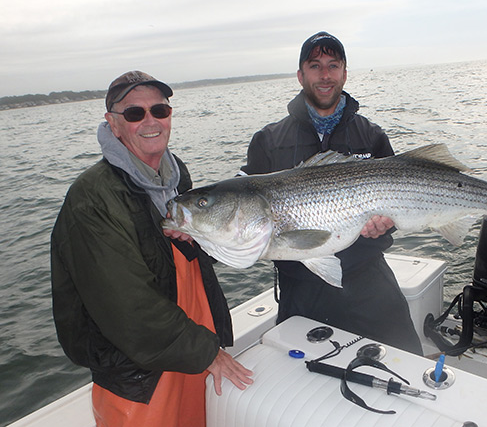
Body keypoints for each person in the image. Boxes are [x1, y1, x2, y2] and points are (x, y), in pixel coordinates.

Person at [51, 70, 253, 427]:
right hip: (140, 382)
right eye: (134, 113)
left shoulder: (177, 178)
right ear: (113, 124)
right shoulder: (94, 198)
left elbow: (183, 266)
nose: (150, 121)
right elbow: (127, 308)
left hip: (190, 358)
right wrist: (209, 353)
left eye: (159, 110)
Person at [240, 32, 423, 355]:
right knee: (303, 382)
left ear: (344, 73)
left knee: (405, 360)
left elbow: (399, 200)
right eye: (315, 66)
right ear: (300, 75)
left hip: (367, 276)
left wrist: (387, 223)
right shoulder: (267, 141)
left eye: (333, 65)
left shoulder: (371, 135)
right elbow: (241, 213)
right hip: (301, 286)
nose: (325, 75)